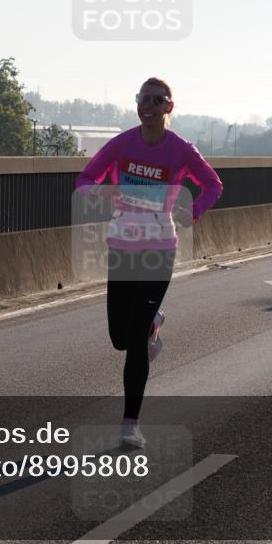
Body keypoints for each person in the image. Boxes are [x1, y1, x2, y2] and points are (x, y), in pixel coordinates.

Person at [75, 78, 222, 448]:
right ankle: (154, 323)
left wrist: (195, 211)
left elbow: (213, 186)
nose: (149, 106)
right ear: (137, 103)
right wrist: (102, 193)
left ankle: (130, 425)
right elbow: (84, 179)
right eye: (144, 99)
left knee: (135, 340)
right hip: (123, 246)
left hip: (159, 250)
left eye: (157, 100)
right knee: (120, 339)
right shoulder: (123, 143)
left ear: (169, 107)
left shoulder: (181, 150)